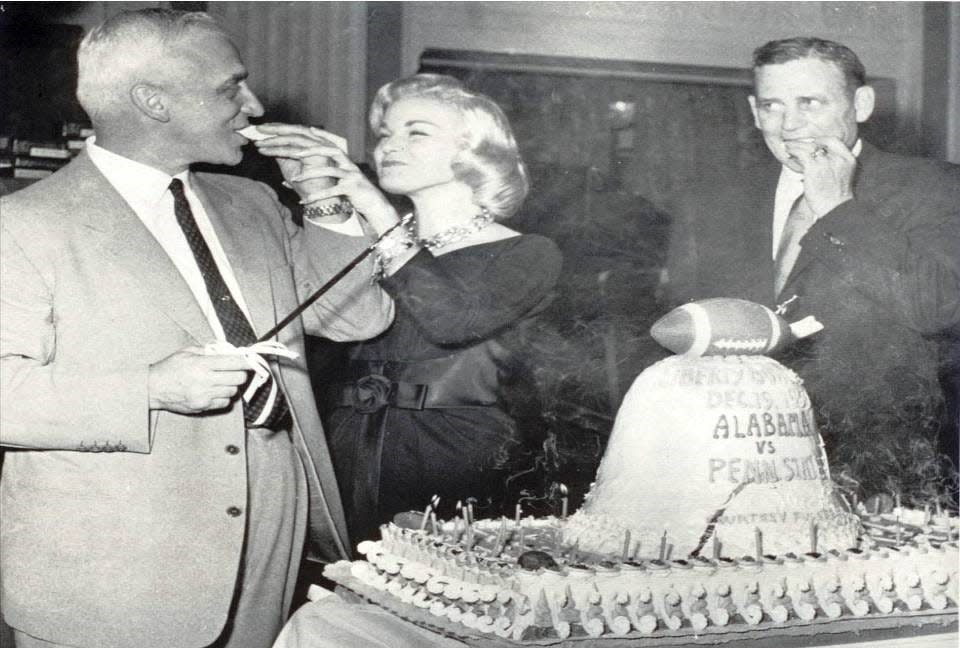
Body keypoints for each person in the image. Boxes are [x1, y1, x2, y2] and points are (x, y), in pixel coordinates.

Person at [0, 9, 393, 648]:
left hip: (269, 538)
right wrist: (150, 387)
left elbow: (356, 317)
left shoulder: (254, 203)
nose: (255, 104)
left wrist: (321, 198)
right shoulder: (23, 225)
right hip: (117, 569)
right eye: (229, 87)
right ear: (153, 101)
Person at [257, 74, 562, 544]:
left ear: (474, 150)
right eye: (385, 134)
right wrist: (324, 196)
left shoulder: (528, 253)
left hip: (454, 458)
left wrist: (376, 210)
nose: (387, 147)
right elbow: (329, 321)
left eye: (416, 132)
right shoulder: (376, 242)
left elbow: (452, 320)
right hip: (349, 447)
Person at [665, 36, 960, 502]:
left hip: (881, 473)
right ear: (753, 109)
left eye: (810, 103)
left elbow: (937, 308)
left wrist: (838, 208)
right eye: (772, 106)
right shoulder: (710, 201)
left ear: (861, 103)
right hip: (734, 468)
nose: (789, 126)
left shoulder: (936, 188)